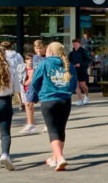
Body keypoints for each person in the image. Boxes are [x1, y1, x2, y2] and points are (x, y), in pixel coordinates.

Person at [28, 42, 77, 171]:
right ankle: (56, 157)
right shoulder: (70, 66)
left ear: (49, 52)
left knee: (52, 129)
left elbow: (34, 82)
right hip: (65, 100)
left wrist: (41, 94)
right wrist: (67, 92)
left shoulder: (44, 63)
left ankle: (60, 158)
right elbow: (74, 85)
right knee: (61, 129)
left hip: (48, 99)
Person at [68, 39, 91, 106]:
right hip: (74, 70)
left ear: (79, 44)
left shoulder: (83, 52)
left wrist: (80, 64)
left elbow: (88, 60)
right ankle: (80, 99)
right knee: (76, 85)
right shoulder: (71, 53)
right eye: (74, 44)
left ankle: (86, 95)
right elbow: (69, 61)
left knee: (83, 84)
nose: (75, 45)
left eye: (76, 44)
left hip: (82, 70)